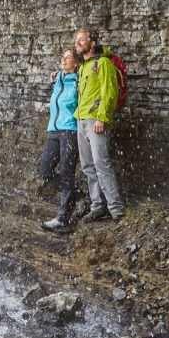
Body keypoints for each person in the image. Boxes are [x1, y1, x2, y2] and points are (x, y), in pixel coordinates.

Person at [73, 27, 125, 222]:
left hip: (95, 121)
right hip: (81, 120)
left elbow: (110, 92)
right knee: (88, 166)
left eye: (81, 40)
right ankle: (98, 206)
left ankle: (116, 209)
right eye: (76, 40)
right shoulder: (83, 67)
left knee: (101, 164)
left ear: (92, 43)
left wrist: (102, 118)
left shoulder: (102, 63)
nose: (78, 43)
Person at [39, 49, 81, 233]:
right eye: (62, 57)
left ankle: (63, 218)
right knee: (45, 170)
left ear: (76, 63)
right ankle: (75, 194)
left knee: (67, 172)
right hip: (54, 130)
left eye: (68, 57)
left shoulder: (79, 80)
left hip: (70, 130)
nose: (64, 60)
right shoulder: (59, 79)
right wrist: (55, 77)